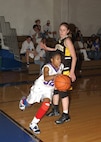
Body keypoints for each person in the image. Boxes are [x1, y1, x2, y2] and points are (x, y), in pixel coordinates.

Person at [40, 22, 77, 124]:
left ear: (68, 31)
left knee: (63, 92)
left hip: (66, 69)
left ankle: (66, 115)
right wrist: (46, 48)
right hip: (59, 69)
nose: (61, 32)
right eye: (60, 30)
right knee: (55, 89)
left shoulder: (67, 40)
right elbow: (56, 50)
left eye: (64, 30)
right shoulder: (60, 40)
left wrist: (72, 72)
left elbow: (74, 57)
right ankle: (55, 109)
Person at [19, 51, 64, 134]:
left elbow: (60, 80)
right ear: (52, 60)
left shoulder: (61, 66)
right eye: (57, 59)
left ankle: (33, 123)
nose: (59, 61)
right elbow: (46, 77)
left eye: (60, 59)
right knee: (29, 104)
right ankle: (24, 101)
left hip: (49, 89)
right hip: (39, 87)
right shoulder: (47, 67)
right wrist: (55, 76)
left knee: (47, 103)